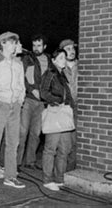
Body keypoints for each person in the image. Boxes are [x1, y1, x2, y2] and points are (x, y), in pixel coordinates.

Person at [0, 32, 26, 189]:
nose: (15, 46)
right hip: (0, 105)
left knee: (13, 143)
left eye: (15, 43)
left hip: (14, 106)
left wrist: (20, 100)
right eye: (12, 43)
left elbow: (21, 84)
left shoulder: (18, 63)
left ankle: (10, 176)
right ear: (3, 43)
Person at [40, 49, 74, 191]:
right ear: (53, 60)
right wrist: (58, 100)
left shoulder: (62, 75)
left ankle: (59, 178)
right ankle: (47, 180)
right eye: (60, 57)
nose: (63, 60)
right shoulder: (51, 73)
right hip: (54, 113)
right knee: (50, 149)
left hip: (64, 114)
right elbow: (43, 93)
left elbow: (67, 94)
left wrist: (70, 103)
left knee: (64, 148)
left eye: (64, 58)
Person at [18, 34, 51, 169]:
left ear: (44, 46)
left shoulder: (49, 60)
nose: (36, 48)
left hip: (42, 103)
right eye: (34, 45)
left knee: (36, 133)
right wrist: (31, 90)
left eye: (39, 45)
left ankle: (30, 161)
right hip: (28, 100)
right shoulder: (27, 58)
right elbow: (22, 77)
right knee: (22, 132)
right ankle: (16, 162)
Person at [59, 39, 78, 171]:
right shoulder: (59, 68)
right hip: (65, 108)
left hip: (79, 107)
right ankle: (61, 171)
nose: (72, 52)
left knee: (76, 140)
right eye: (68, 49)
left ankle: (71, 170)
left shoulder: (82, 65)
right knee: (65, 142)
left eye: (73, 49)